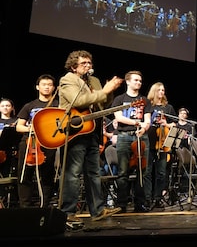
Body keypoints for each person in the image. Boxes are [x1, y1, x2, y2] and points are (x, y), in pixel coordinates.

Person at [57, 50, 123, 224]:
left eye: (89, 63)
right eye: (83, 63)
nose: (88, 66)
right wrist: (105, 91)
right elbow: (77, 101)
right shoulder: (68, 79)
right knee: (73, 174)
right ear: (73, 67)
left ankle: (98, 210)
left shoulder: (94, 81)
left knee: (93, 173)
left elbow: (101, 103)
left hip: (93, 131)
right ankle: (67, 212)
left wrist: (109, 92)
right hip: (76, 132)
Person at [14, 75, 59, 208]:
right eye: (44, 84)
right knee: (25, 175)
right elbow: (18, 126)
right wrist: (31, 128)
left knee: (47, 176)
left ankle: (44, 207)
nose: (46, 87)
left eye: (50, 84)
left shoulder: (59, 105)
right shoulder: (30, 105)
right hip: (29, 143)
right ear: (37, 87)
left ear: (54, 88)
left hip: (49, 143)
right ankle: (25, 207)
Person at [112, 70, 152, 213]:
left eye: (140, 81)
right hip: (124, 136)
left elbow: (147, 120)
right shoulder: (119, 99)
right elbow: (119, 117)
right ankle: (121, 204)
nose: (138, 83)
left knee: (142, 171)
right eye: (135, 80)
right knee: (123, 171)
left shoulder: (145, 100)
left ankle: (139, 203)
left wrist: (144, 127)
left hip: (141, 137)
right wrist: (137, 123)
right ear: (128, 81)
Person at [146, 82, 176, 209]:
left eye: (163, 90)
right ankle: (147, 198)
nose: (161, 92)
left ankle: (158, 198)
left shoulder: (168, 108)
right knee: (147, 172)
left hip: (162, 144)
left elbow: (174, 124)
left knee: (161, 173)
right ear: (154, 91)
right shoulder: (148, 106)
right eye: (159, 90)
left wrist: (166, 124)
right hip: (149, 141)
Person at [0, 98, 17, 177]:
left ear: (12, 108)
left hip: (12, 149)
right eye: (2, 106)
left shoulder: (16, 121)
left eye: (7, 106)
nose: (5, 107)